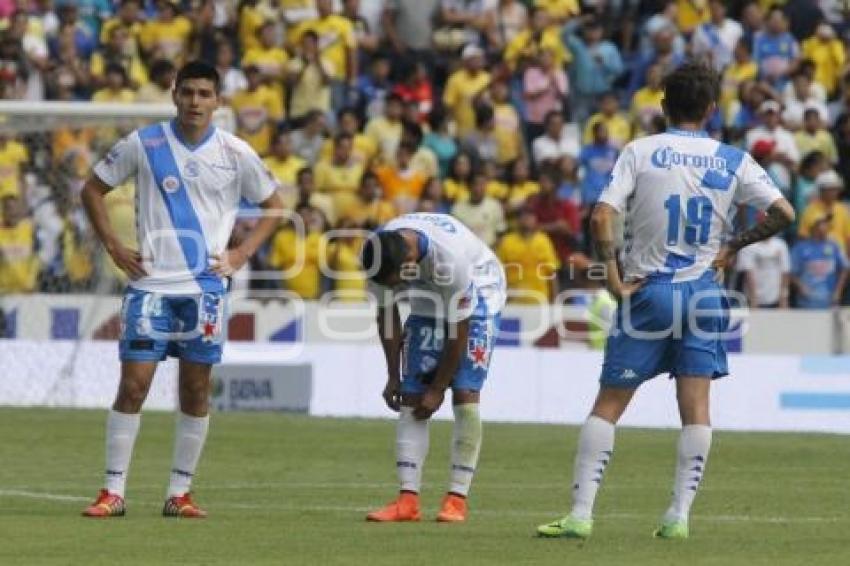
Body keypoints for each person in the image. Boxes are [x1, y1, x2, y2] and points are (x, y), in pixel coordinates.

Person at [536, 62, 794, 540]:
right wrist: (734, 245)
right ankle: (678, 517)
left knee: (609, 403)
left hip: (650, 291)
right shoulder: (732, 159)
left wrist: (612, 275)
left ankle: (580, 514)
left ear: (662, 105)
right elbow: (783, 212)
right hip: (704, 294)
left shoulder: (641, 151)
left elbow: (601, 217)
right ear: (712, 109)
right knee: (696, 407)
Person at [79, 61, 283, 518]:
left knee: (196, 388)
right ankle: (113, 492)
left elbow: (274, 206)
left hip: (206, 290)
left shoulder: (235, 152)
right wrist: (113, 245)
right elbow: (91, 189)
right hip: (150, 285)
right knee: (133, 386)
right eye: (187, 92)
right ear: (174, 95)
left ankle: (180, 493)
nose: (195, 102)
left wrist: (240, 254)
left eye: (204, 94)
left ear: (217, 101)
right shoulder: (144, 143)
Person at [361, 213, 506, 523]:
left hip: (480, 291)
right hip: (429, 295)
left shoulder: (449, 260)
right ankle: (407, 502)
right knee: (412, 396)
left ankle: (456, 500)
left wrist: (439, 388)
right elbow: (387, 314)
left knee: (465, 393)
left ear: (410, 260)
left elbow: (460, 327)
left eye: (398, 281)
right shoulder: (379, 253)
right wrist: (392, 376)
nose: (396, 287)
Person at [791, 215, 849, 309]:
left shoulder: (834, 246)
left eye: (826, 223)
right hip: (806, 303)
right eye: (823, 223)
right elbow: (791, 273)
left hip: (829, 302)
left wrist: (838, 291)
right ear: (814, 227)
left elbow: (845, 268)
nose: (826, 226)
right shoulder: (800, 248)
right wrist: (800, 287)